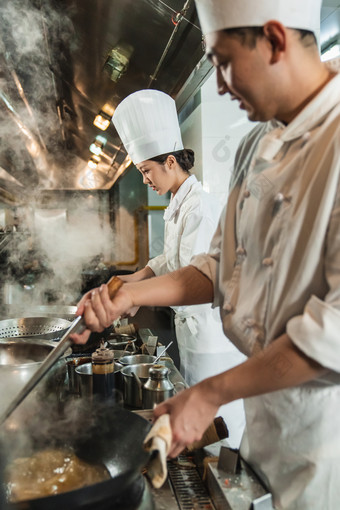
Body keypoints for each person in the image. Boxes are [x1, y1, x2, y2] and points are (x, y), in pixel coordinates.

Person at [72, 0, 340, 507]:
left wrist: (211, 392)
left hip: (323, 432)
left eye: (222, 61)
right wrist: (125, 296)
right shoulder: (255, 145)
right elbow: (218, 268)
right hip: (263, 412)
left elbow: (334, 330)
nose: (218, 85)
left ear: (276, 41)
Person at [94, 89, 246, 446]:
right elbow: (168, 260)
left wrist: (134, 295)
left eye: (147, 171)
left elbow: (193, 276)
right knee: (198, 415)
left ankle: (229, 479)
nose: (145, 180)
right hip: (191, 334)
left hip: (211, 336)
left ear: (171, 163)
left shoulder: (201, 208)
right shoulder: (179, 202)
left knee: (218, 424)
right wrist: (130, 279)